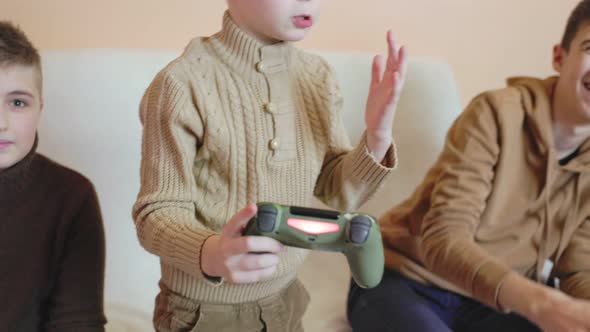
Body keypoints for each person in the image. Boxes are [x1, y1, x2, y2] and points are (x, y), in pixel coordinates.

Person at [131, 0, 407, 330]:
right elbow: (155, 213)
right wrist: (210, 252)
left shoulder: (317, 77)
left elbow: (337, 191)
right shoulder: (181, 83)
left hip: (285, 303)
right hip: (205, 312)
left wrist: (377, 135)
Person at [347, 1, 590, 331]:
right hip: (409, 280)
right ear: (559, 57)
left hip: (494, 304)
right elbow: (443, 237)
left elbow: (577, 268)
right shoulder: (495, 113)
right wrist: (540, 302)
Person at [0, 21, 106, 331]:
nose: (1, 122)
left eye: (17, 103)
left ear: (39, 108)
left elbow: (78, 323)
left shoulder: (72, 196)